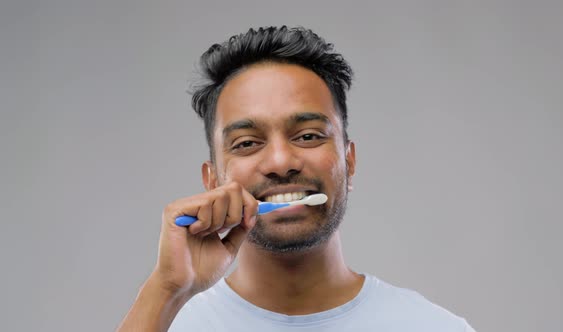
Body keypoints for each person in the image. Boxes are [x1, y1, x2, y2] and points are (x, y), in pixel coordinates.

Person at [118, 26, 476, 332]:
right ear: (212, 181)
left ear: (349, 162)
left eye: (307, 136)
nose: (280, 161)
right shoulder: (164, 323)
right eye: (247, 143)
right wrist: (164, 290)